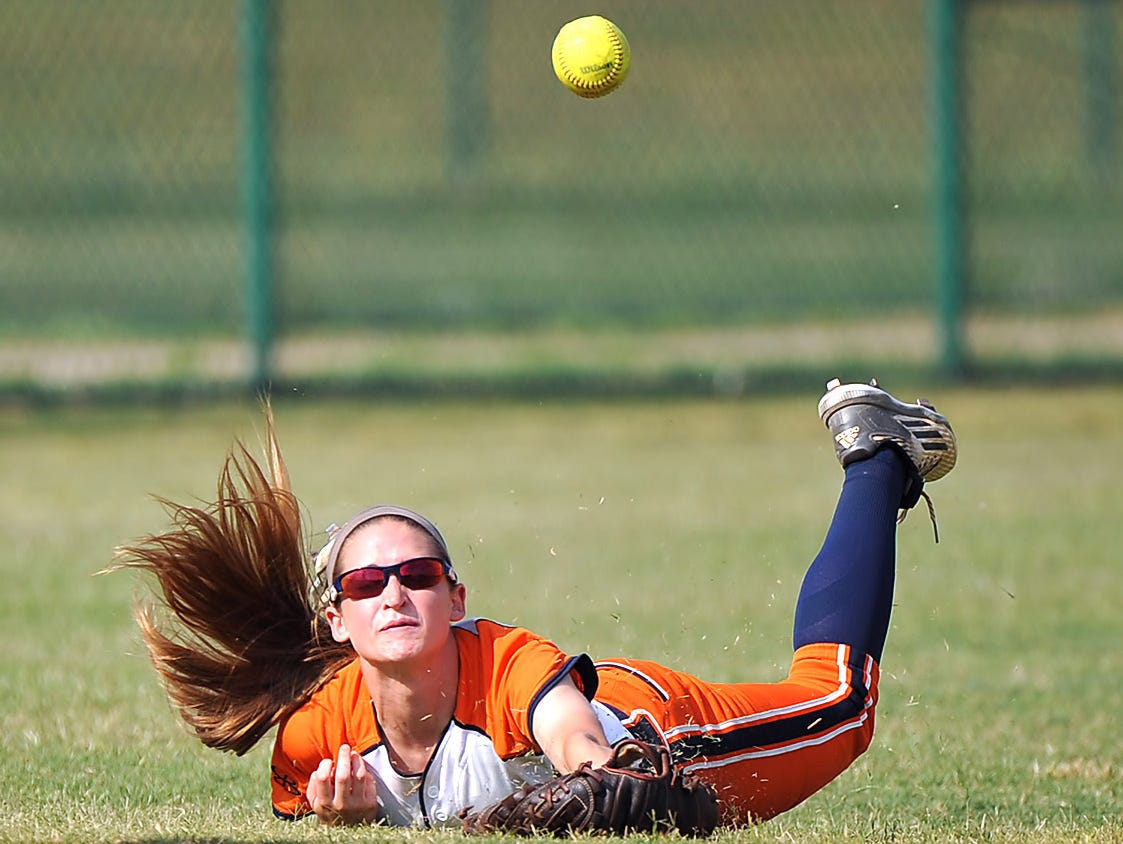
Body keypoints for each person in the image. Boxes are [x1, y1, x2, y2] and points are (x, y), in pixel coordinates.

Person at [116, 378, 956, 829]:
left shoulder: (508, 665)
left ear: (456, 597)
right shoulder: (318, 739)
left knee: (839, 704)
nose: (395, 592)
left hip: (658, 732)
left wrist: (597, 780)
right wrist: (352, 824)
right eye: (367, 583)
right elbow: (303, 814)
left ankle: (876, 455)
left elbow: (583, 749)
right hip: (593, 700)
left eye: (418, 575)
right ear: (337, 620)